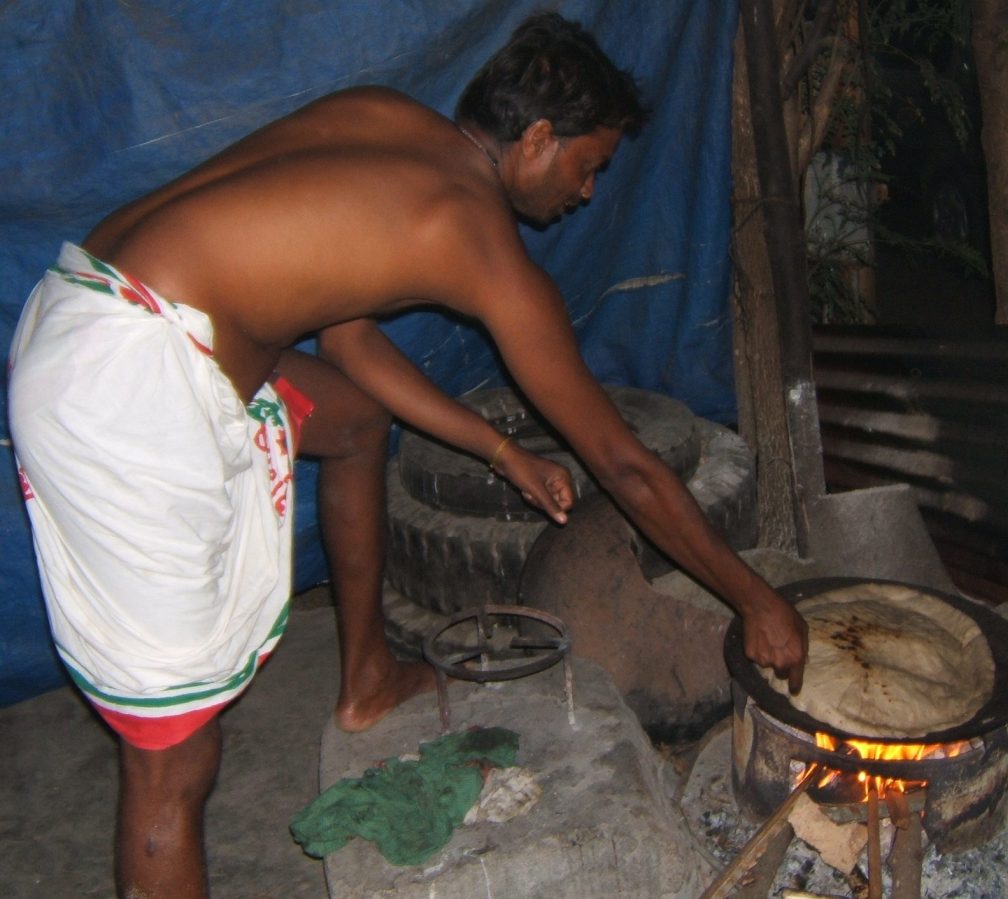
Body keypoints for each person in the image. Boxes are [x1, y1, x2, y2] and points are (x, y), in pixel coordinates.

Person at [8, 11, 806, 898]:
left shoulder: (381, 118)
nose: (586, 194)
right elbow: (625, 466)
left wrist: (501, 450)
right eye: (589, 166)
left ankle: (368, 677)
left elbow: (348, 346)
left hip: (94, 302)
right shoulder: (477, 239)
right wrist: (753, 598)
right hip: (125, 384)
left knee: (350, 422)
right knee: (172, 762)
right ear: (538, 138)